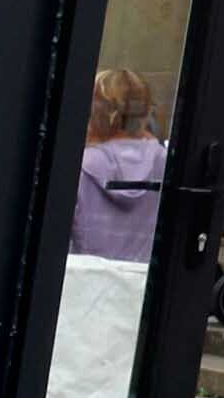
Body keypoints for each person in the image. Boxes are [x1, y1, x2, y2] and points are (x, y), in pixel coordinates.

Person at [71, 66, 165, 261]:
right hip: (143, 285)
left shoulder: (78, 166)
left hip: (82, 283)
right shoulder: (164, 163)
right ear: (145, 112)